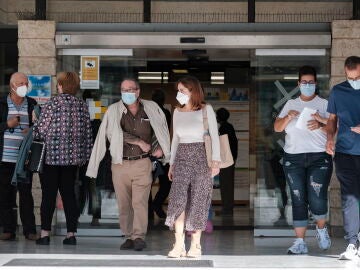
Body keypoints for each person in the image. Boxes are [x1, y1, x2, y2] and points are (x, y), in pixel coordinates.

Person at [86, 78, 170, 251]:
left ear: (138, 91)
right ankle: (128, 236)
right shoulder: (113, 110)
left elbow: (161, 131)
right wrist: (138, 141)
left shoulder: (151, 108)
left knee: (139, 202)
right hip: (120, 164)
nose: (127, 93)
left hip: (142, 163)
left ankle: (138, 236)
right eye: (123, 90)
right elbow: (111, 134)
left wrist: (161, 148)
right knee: (124, 203)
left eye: (130, 89)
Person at [274, 65, 332, 255]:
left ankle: (321, 229)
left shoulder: (324, 104)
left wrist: (320, 123)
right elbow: (277, 128)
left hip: (319, 157)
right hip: (294, 158)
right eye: (304, 82)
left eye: (311, 82)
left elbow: (334, 129)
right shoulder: (291, 103)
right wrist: (287, 117)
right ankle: (299, 242)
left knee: (316, 196)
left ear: (316, 83)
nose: (308, 85)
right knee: (298, 198)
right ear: (299, 84)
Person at [34, 71, 93, 245]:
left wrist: (36, 121)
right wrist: (84, 157)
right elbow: (88, 135)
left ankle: (44, 234)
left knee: (48, 195)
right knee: (69, 195)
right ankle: (71, 234)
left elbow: (41, 131)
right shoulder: (82, 106)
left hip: (51, 159)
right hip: (72, 161)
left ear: (60, 85)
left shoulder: (52, 103)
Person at [166, 76, 220, 258]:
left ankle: (196, 245)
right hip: (181, 156)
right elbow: (175, 139)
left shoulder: (206, 110)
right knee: (178, 200)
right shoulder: (176, 112)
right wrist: (171, 163)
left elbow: (214, 135)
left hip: (202, 156)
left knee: (198, 200)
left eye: (183, 91)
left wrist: (216, 161)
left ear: (193, 92)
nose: (179, 94)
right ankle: (179, 244)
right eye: (178, 90)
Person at [326, 56, 360, 260]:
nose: (354, 80)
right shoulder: (338, 91)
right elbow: (332, 120)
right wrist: (329, 138)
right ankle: (352, 243)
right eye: (351, 77)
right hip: (345, 152)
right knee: (349, 198)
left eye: (357, 77)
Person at [0, 72, 38, 241]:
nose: (24, 86)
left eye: (26, 83)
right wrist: (8, 124)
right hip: (5, 159)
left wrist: (31, 130)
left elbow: (40, 126)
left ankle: (29, 230)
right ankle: (8, 229)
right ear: (12, 85)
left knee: (26, 195)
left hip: (24, 160)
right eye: (21, 83)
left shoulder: (32, 104)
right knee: (5, 195)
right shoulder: (2, 103)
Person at [150, 89, 172, 219]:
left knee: (147, 182)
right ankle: (157, 204)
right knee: (166, 183)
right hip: (163, 152)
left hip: (149, 153)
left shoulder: (147, 113)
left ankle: (148, 210)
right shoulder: (166, 113)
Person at [216, 108, 238, 216]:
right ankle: (227, 208)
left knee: (225, 185)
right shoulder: (230, 127)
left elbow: (223, 146)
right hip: (230, 159)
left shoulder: (223, 128)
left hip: (226, 160)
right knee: (227, 184)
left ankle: (227, 208)